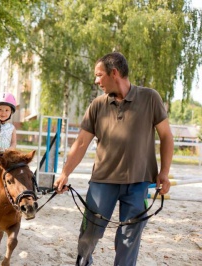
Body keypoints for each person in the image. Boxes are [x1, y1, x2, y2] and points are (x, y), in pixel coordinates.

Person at [54, 52, 174, 266]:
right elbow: (81, 143)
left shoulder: (150, 97)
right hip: (102, 183)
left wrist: (164, 172)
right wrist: (65, 173)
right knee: (89, 233)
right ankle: (84, 263)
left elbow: (166, 136)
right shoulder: (97, 105)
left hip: (139, 182)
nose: (96, 80)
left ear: (114, 73)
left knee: (129, 239)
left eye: (99, 75)